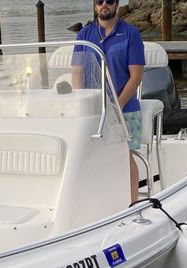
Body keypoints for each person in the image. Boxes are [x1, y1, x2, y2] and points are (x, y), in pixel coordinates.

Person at [73, 0, 145, 203]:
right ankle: (98, 203)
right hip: (93, 110)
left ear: (117, 4)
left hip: (125, 109)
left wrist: (117, 107)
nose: (104, 5)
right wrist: (81, 103)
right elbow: (77, 73)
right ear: (95, 6)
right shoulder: (84, 35)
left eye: (109, 1)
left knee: (125, 155)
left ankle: (132, 203)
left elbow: (136, 76)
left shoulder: (131, 34)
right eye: (99, 1)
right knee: (91, 158)